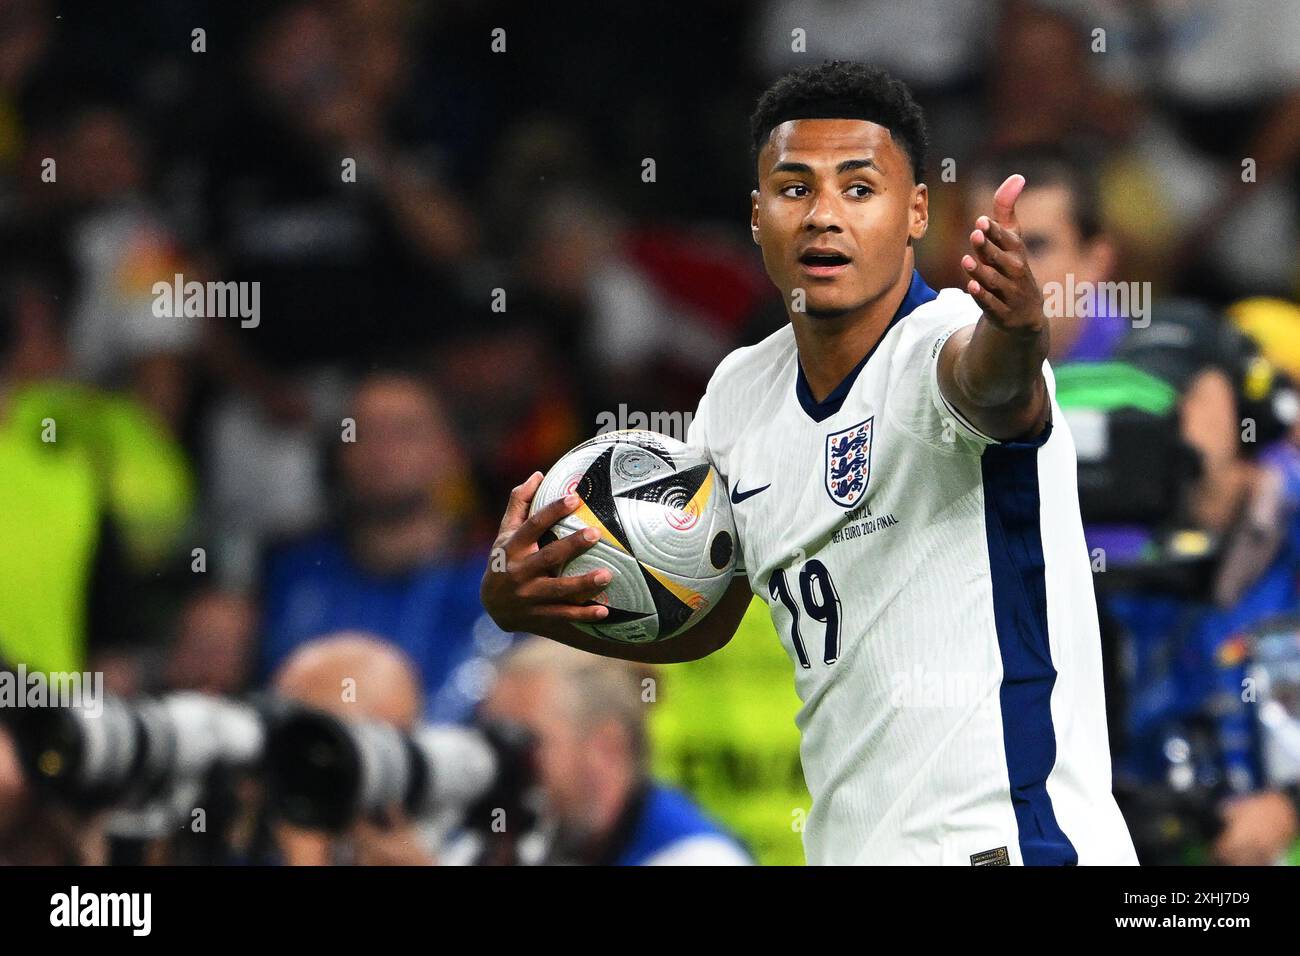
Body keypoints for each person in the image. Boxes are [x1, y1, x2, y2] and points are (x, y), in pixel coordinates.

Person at [481, 61, 1138, 865]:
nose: (825, 215)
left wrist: (1020, 330)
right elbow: (705, 616)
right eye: (795, 189)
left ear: (915, 212)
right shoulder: (736, 393)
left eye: (860, 189)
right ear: (757, 216)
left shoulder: (949, 342)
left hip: (1008, 846)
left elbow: (993, 386)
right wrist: (534, 609)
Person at [257, 371, 499, 722]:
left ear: (450, 453)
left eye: (405, 432)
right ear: (340, 453)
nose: (382, 450)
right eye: (363, 433)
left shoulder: (496, 586)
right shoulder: (292, 572)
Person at [481, 637, 752, 865]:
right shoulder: (516, 839)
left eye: (521, 744)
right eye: (491, 741)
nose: (499, 767)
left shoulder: (698, 858)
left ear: (607, 749)